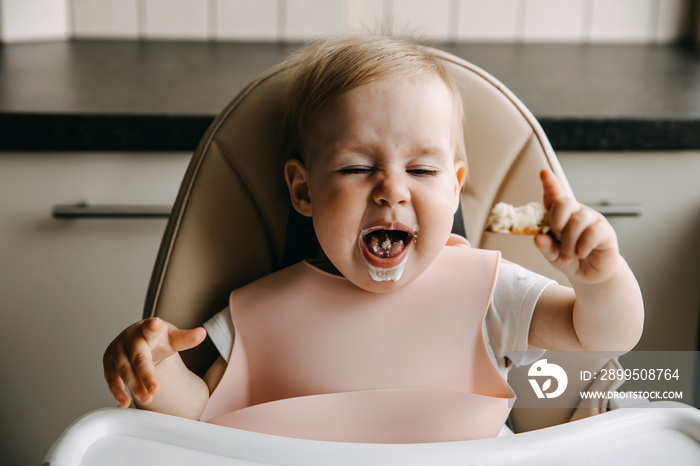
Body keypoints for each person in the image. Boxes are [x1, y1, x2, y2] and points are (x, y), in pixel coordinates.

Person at [103, 35, 644, 442]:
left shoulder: (490, 294)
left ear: (456, 189)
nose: (392, 191)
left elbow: (601, 335)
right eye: (358, 168)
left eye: (422, 171)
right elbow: (201, 419)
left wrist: (600, 278)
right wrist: (156, 369)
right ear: (303, 190)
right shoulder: (258, 313)